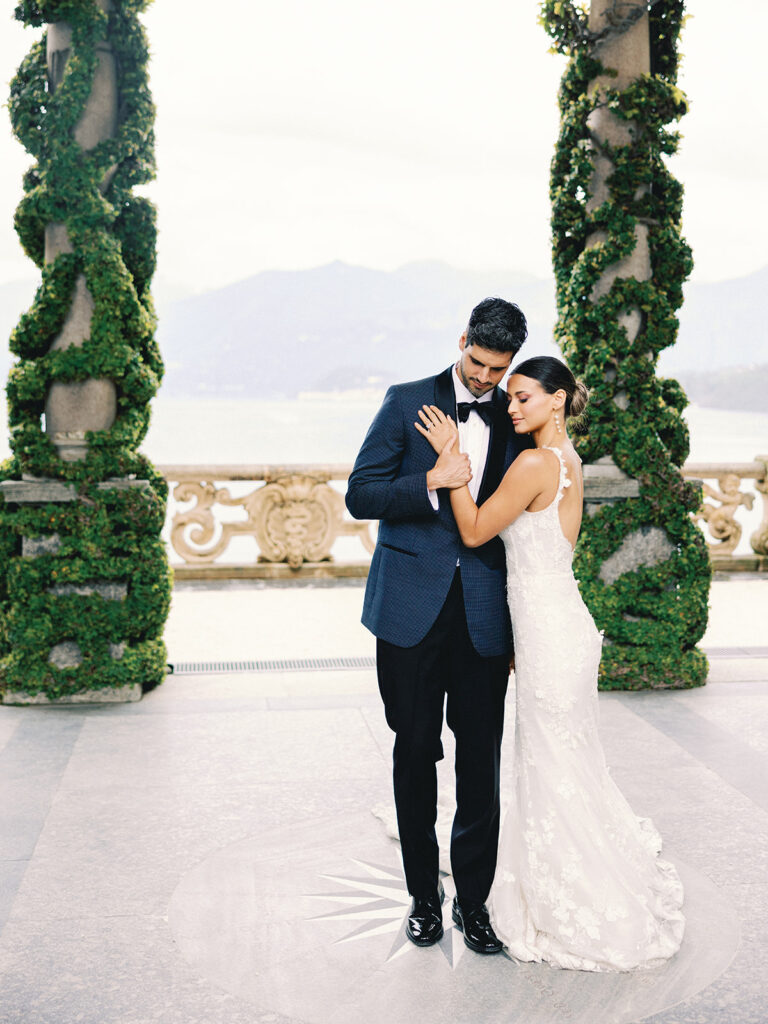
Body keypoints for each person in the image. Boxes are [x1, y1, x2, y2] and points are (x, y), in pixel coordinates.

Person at [415, 355, 685, 972]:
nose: (511, 408)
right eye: (509, 399)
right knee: (558, 755)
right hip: (556, 625)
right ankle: (559, 865)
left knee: (552, 756)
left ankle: (572, 887)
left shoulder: (537, 462)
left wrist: (452, 465)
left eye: (524, 397)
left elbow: (478, 531)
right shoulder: (569, 461)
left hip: (549, 630)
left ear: (558, 400)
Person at [345, 297, 530, 953]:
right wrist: (432, 478)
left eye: (497, 370)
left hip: (485, 617)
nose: (485, 379)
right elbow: (360, 493)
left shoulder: (517, 416)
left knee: (481, 762)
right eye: (478, 364)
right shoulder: (404, 401)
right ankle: (424, 897)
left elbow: (525, 520)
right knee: (415, 751)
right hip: (409, 613)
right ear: (462, 342)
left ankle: (473, 905)